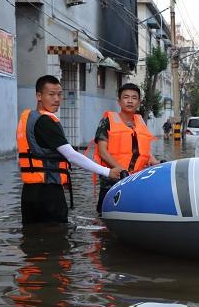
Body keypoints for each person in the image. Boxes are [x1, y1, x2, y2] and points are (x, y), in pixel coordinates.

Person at [17, 75, 123, 225]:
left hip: (29, 193)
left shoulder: (30, 119)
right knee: (57, 239)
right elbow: (72, 156)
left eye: (59, 94)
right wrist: (107, 172)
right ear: (39, 96)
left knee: (34, 236)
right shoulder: (46, 122)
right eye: (51, 94)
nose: (57, 99)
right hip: (48, 193)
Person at [93, 83, 160, 213]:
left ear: (139, 102)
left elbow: (143, 150)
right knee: (104, 216)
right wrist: (121, 170)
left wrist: (155, 161)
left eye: (134, 98)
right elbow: (102, 151)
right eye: (126, 97)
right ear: (119, 100)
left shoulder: (140, 122)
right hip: (112, 180)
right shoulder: (108, 121)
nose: (130, 101)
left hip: (135, 180)